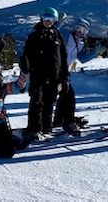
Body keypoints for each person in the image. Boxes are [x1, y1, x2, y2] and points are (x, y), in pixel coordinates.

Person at [19, 7, 69, 141]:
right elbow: (26, 56)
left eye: (51, 18)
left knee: (49, 102)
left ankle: (46, 128)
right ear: (42, 18)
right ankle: (34, 129)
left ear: (55, 20)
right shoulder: (34, 35)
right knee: (37, 102)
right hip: (38, 75)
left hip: (54, 76)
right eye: (46, 18)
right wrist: (24, 73)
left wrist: (65, 77)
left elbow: (63, 58)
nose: (48, 21)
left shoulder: (58, 35)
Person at [53, 18, 107, 134]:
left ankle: (59, 120)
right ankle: (68, 121)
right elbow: (54, 34)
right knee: (69, 95)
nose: (80, 32)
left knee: (64, 95)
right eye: (79, 28)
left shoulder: (81, 43)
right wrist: (57, 25)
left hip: (65, 72)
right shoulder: (67, 36)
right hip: (56, 70)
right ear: (74, 28)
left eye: (84, 30)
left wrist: (95, 52)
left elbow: (82, 58)